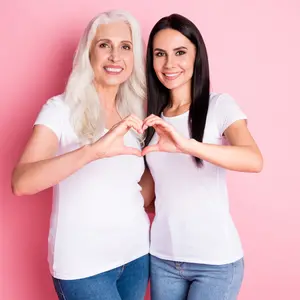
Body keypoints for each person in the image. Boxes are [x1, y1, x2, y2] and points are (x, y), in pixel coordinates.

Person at [12, 10, 150, 300]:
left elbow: (137, 185)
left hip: (137, 255)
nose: (115, 56)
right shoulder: (60, 110)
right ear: (89, 53)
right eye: (104, 45)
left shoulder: (136, 114)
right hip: (83, 266)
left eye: (125, 47)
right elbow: (22, 182)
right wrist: (92, 152)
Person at [143, 13, 263, 300]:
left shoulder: (220, 105)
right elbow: (148, 196)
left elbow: (253, 159)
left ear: (197, 56)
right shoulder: (151, 120)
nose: (169, 64)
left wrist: (188, 146)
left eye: (180, 52)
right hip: (162, 259)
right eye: (160, 54)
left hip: (216, 263)